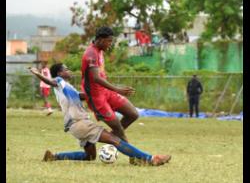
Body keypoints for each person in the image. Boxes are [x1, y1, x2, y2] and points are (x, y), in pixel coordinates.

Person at [28, 63, 171, 166]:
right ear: (59, 73)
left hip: (75, 126)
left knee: (89, 156)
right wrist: (38, 74)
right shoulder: (59, 82)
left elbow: (83, 96)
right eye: (66, 69)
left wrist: (103, 93)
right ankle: (151, 159)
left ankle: (54, 157)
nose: (70, 71)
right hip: (80, 124)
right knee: (115, 139)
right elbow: (50, 81)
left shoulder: (66, 88)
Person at [81, 26, 139, 142]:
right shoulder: (91, 54)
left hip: (106, 92)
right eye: (109, 41)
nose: (110, 44)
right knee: (118, 128)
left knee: (133, 114)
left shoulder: (100, 51)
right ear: (101, 40)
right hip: (96, 98)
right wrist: (117, 89)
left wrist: (113, 90)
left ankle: (109, 139)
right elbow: (96, 78)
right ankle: (135, 158)